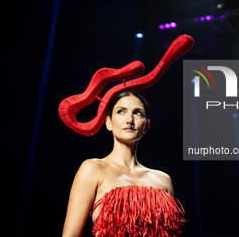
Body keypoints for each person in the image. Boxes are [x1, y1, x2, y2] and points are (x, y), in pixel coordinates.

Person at [62, 92, 185, 237]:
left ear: (147, 125)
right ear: (108, 122)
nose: (130, 120)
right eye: (121, 111)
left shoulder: (163, 180)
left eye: (138, 113)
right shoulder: (93, 169)